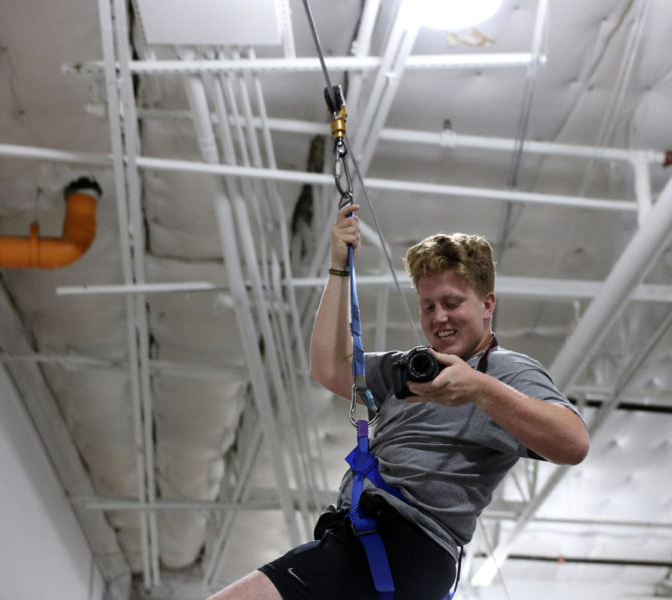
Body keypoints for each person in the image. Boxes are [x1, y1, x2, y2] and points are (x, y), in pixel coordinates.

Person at [209, 204, 589, 600]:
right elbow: (329, 368)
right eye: (428, 306)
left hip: (403, 545)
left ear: (487, 304)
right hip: (373, 544)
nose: (439, 317)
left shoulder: (503, 371)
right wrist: (339, 269)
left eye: (452, 302)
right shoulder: (412, 369)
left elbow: (574, 442)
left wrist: (480, 389)